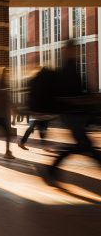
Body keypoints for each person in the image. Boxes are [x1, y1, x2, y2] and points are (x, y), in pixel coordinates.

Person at [48, 40, 101, 180]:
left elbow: (79, 90)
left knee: (83, 145)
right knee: (85, 145)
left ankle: (53, 168)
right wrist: (87, 99)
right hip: (72, 114)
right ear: (68, 51)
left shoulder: (70, 68)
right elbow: (67, 95)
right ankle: (53, 167)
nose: (76, 52)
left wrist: (90, 97)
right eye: (74, 49)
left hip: (73, 114)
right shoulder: (67, 70)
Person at [18, 67, 59, 150]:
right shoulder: (44, 82)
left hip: (37, 110)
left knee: (38, 127)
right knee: (40, 127)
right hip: (42, 110)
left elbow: (31, 96)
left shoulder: (35, 81)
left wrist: (30, 108)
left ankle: (24, 142)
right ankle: (25, 142)